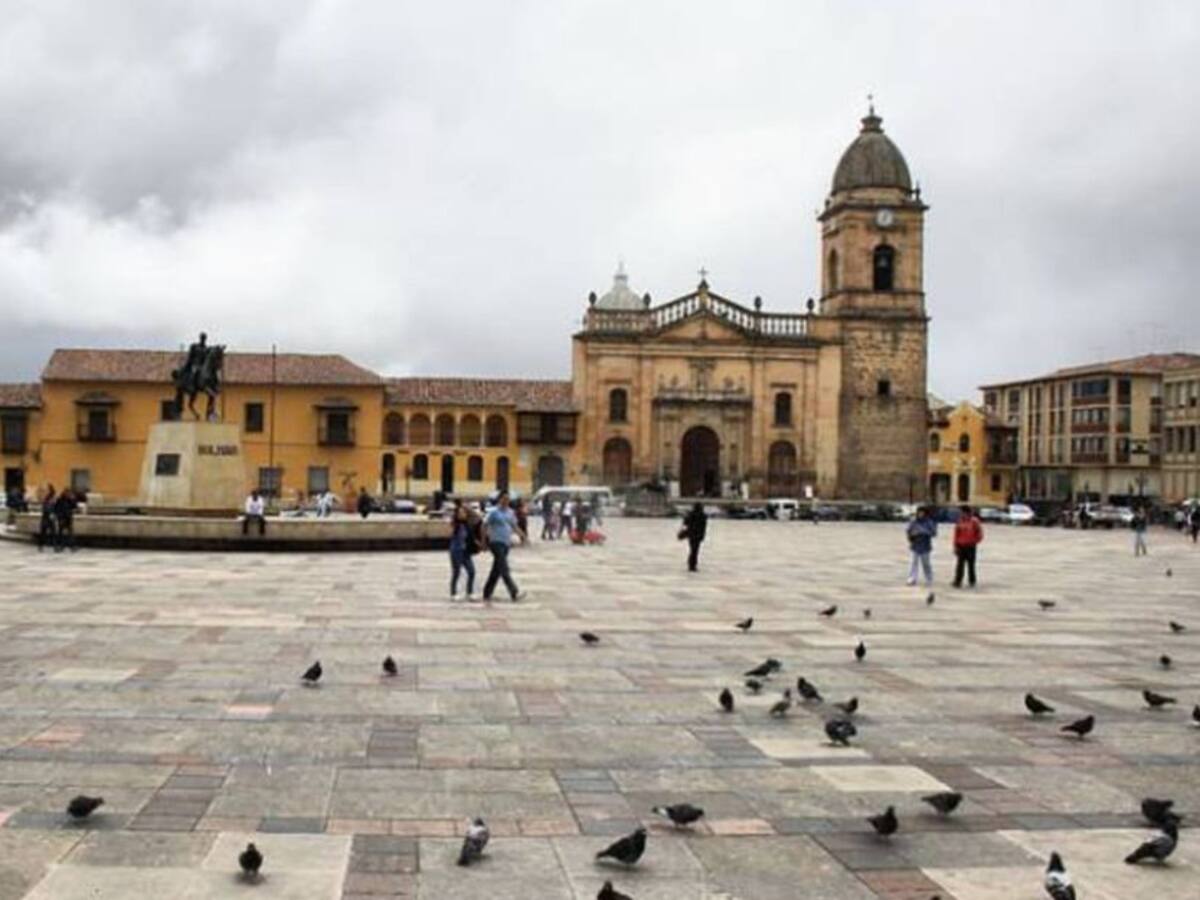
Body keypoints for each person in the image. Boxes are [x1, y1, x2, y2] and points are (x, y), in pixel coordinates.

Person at [482, 491, 526, 601]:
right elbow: (484, 525)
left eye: (508, 499)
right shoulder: (493, 512)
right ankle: (514, 592)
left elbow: (514, 525)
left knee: (496, 569)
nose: (506, 501)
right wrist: (483, 541)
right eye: (504, 498)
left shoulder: (510, 512)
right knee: (504, 568)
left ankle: (487, 592)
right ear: (499, 499)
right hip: (495, 543)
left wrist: (522, 535)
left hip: (506, 543)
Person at [449, 502, 479, 600]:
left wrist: (468, 508)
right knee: (456, 572)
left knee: (472, 571)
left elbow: (477, 517)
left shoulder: (468, 525)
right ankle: (453, 593)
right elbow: (451, 528)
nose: (462, 514)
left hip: (466, 551)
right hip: (456, 551)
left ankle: (469, 592)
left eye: (464, 513)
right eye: (460, 513)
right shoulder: (455, 525)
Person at [952, 505, 984, 588]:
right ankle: (957, 581)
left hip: (970, 546)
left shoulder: (974, 521)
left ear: (967, 512)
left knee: (971, 565)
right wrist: (955, 546)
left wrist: (975, 541)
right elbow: (956, 535)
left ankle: (972, 581)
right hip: (961, 546)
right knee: (959, 565)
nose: (961, 514)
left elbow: (980, 533)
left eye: (962, 512)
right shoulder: (959, 521)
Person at [906, 506, 937, 586]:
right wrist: (912, 534)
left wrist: (923, 532)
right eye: (919, 512)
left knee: (926, 563)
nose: (920, 514)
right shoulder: (914, 522)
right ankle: (912, 578)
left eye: (922, 513)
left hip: (925, 546)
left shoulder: (929, 522)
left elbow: (933, 533)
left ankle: (929, 578)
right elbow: (908, 531)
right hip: (915, 545)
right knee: (914, 563)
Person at [681, 502, 707, 572]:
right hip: (698, 535)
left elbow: (685, 523)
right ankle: (692, 565)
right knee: (695, 551)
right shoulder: (703, 516)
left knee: (692, 550)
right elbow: (703, 527)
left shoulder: (691, 515)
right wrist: (702, 536)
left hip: (691, 535)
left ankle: (691, 564)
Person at [53, 487, 78, 552]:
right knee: (60, 533)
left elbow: (74, 507)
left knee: (70, 533)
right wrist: (59, 516)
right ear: (64, 493)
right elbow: (56, 508)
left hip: (68, 518)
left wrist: (73, 499)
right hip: (62, 518)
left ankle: (72, 546)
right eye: (67, 493)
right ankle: (59, 546)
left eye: (69, 493)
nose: (68, 494)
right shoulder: (60, 499)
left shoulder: (69, 500)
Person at [36, 484, 57, 552]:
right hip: (46, 516)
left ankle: (54, 546)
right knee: (43, 532)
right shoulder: (47, 497)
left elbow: (52, 506)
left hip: (49, 516)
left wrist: (52, 513)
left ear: (50, 490)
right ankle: (41, 545)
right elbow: (44, 504)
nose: (46, 490)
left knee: (52, 532)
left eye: (47, 489)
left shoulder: (53, 497)